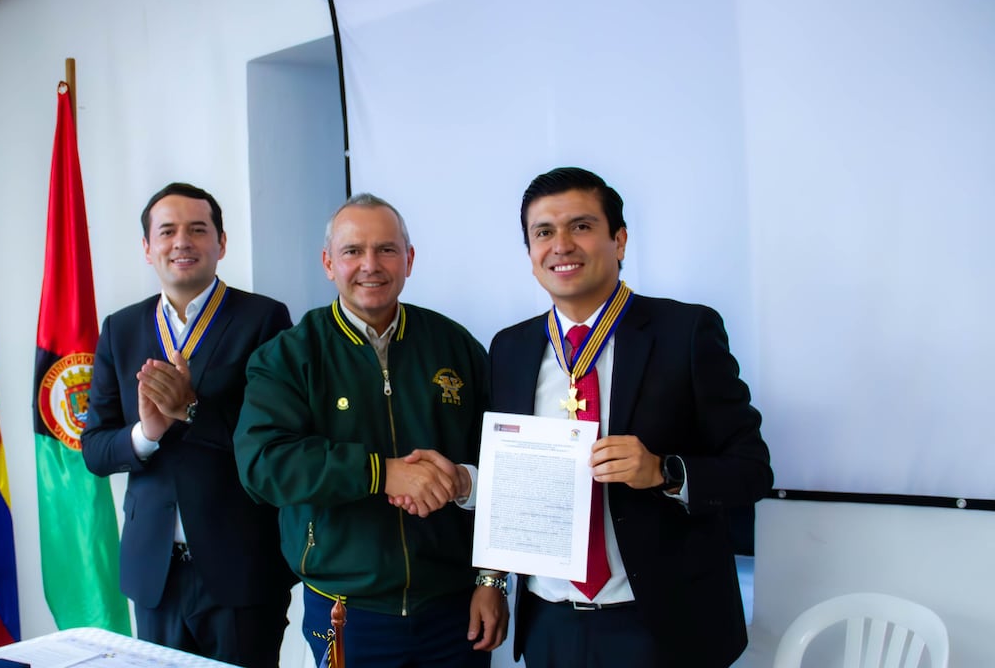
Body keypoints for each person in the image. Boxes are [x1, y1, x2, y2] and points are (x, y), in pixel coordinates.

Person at [488, 167, 773, 667]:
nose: (561, 246)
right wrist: (490, 581)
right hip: (551, 621)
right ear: (530, 254)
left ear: (619, 240)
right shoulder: (509, 348)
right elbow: (505, 484)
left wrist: (665, 471)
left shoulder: (685, 332)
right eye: (543, 232)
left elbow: (752, 469)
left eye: (581, 226)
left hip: (660, 623)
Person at [233, 193, 508, 668]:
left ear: (409, 259)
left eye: (386, 249)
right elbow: (262, 465)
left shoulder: (456, 346)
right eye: (352, 251)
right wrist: (380, 473)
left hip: (453, 606)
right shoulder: (290, 355)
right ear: (328, 263)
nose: (370, 265)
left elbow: (505, 469)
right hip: (344, 611)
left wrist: (492, 580)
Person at [80, 182, 295, 668]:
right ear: (147, 247)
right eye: (168, 231)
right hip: (156, 573)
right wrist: (147, 433)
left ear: (221, 243)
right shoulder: (121, 327)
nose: (183, 242)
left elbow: (276, 441)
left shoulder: (263, 319)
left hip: (241, 566)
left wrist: (192, 410)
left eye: (198, 230)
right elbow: (94, 448)